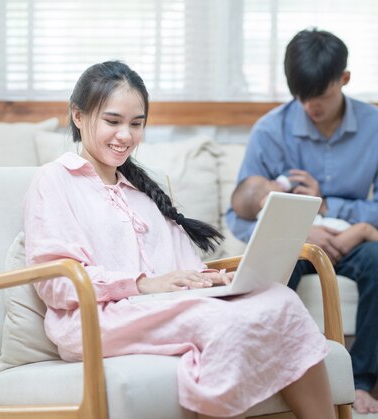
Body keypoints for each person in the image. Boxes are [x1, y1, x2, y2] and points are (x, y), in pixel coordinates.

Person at [23, 60, 335, 419]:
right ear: (78, 116)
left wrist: (211, 280)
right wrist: (142, 284)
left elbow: (181, 267)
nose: (125, 136)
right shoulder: (54, 181)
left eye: (136, 124)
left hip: (160, 305)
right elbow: (56, 283)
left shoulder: (141, 188)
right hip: (95, 319)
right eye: (113, 121)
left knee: (280, 298)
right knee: (221, 322)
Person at [226, 29, 378, 414]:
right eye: (302, 97)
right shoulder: (269, 130)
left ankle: (359, 382)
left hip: (355, 244)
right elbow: (238, 214)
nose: (310, 106)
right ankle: (276, 374)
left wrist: (325, 207)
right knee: (275, 264)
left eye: (321, 96)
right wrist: (298, 230)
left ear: (344, 79)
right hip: (298, 246)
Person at [233, 175, 378, 258]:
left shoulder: (280, 207)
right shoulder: (272, 210)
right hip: (335, 239)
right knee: (364, 229)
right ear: (265, 201)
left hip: (331, 239)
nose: (274, 180)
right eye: (268, 183)